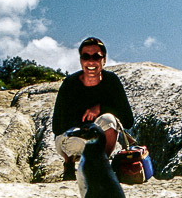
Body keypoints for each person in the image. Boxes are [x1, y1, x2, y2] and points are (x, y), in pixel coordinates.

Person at [52, 37, 134, 180]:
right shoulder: (70, 84)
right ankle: (69, 165)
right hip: (72, 139)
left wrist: (99, 108)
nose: (91, 61)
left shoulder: (111, 81)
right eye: (86, 56)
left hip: (98, 138)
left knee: (109, 119)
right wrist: (83, 127)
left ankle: (102, 166)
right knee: (74, 139)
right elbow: (56, 126)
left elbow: (127, 120)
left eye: (96, 56)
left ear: (104, 60)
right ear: (81, 60)